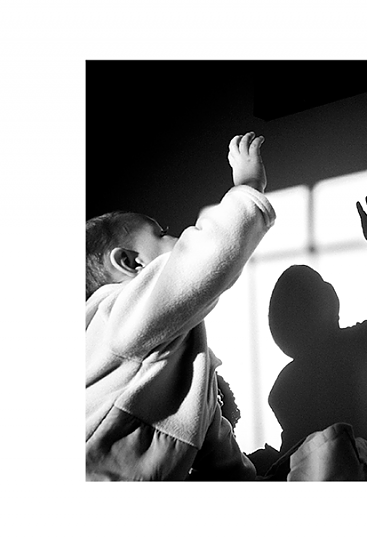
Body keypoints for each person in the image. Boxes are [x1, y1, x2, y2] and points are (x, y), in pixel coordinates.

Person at [85, 132, 276, 480]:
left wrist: (247, 478)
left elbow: (211, 436)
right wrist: (247, 187)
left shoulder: (186, 355)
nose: (176, 236)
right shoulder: (119, 315)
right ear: (131, 263)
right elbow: (205, 256)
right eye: (162, 233)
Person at [267, 193, 367, 459]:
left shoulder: (284, 386)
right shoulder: (358, 350)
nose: (329, 287)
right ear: (328, 302)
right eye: (321, 286)